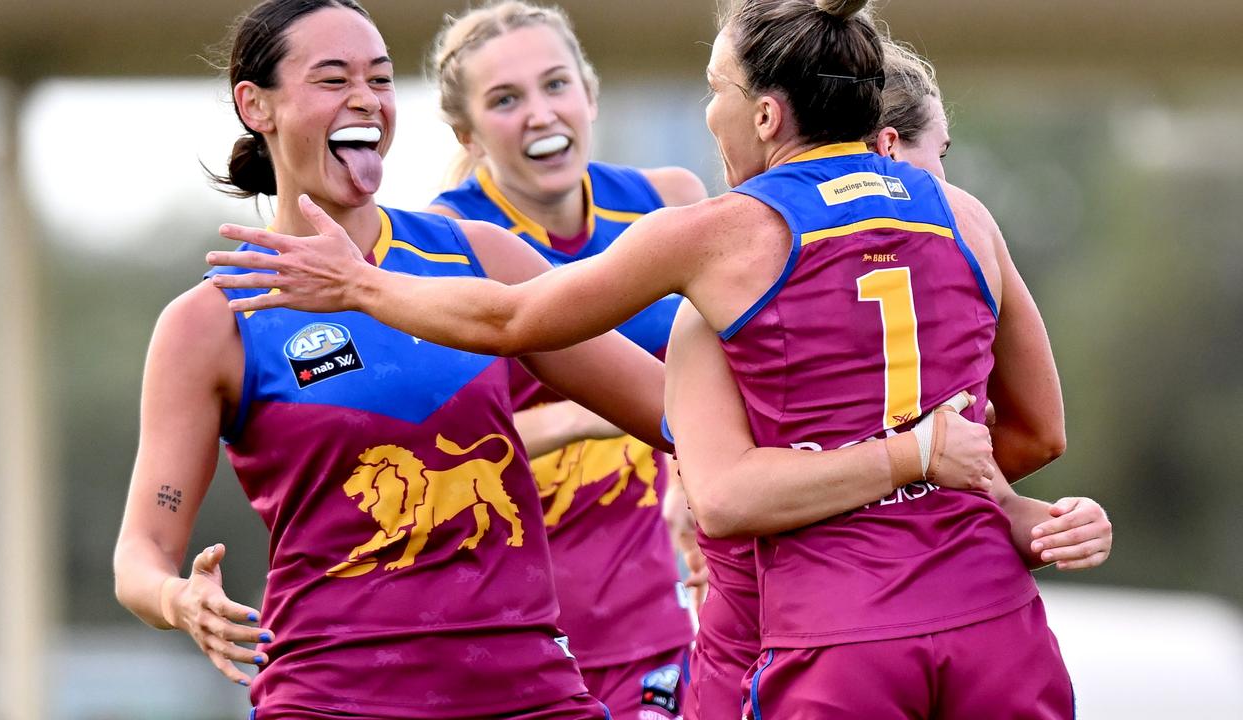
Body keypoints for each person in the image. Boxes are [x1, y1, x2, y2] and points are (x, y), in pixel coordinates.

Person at [207, 0, 1088, 716]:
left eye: (714, 89)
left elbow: (522, 322)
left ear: (766, 113)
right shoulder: (964, 214)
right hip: (996, 626)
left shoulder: (712, 235)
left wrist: (359, 288)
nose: (708, 114)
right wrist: (935, 489)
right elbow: (1037, 431)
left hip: (830, 638)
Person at [112, 1, 684, 717]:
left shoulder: (479, 255)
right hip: (329, 698)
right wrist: (177, 598)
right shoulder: (210, 321)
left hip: (528, 692)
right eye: (332, 79)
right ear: (256, 105)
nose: (365, 99)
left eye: (379, 79)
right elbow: (140, 552)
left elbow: (672, 409)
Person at [669, 36, 1114, 720]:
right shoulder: (951, 233)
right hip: (817, 643)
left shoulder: (729, 285)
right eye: (938, 157)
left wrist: (1026, 517)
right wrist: (920, 465)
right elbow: (1033, 436)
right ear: (882, 147)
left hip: (796, 652)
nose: (941, 187)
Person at [421, 3, 704, 716]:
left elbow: (720, 376)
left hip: (663, 620)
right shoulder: (442, 241)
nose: (540, 114)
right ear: (468, 133)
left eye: (555, 86)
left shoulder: (669, 201)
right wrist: (601, 409)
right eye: (506, 100)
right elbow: (432, 455)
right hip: (507, 633)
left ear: (590, 92)